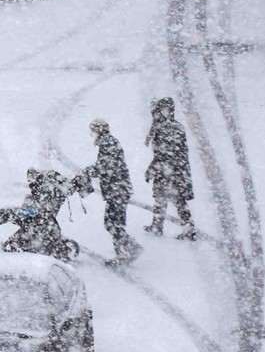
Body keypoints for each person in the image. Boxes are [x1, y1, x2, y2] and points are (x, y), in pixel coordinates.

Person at [82, 119, 142, 260]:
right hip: (118, 190)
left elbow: (103, 167)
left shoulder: (108, 144)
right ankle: (127, 249)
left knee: (112, 223)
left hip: (117, 190)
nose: (92, 134)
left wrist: (86, 172)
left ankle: (126, 251)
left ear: (99, 131)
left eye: (93, 131)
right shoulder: (108, 143)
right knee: (114, 223)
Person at [0, 168, 78, 261]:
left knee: (38, 230)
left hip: (41, 234)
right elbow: (26, 214)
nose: (31, 183)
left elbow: (28, 214)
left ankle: (60, 251)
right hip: (41, 233)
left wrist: (10, 214)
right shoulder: (39, 199)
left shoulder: (45, 199)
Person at [144, 97, 197, 241]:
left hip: (170, 171)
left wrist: (152, 169)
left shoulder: (168, 128)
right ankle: (160, 225)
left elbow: (164, 153)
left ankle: (187, 228)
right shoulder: (172, 126)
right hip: (174, 170)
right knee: (166, 198)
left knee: (175, 199)